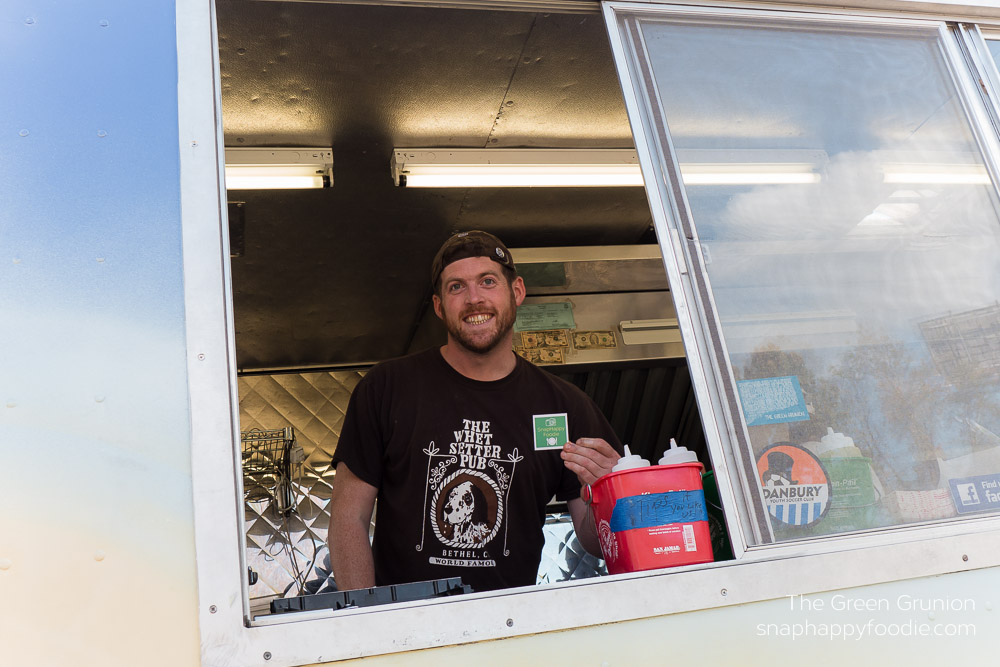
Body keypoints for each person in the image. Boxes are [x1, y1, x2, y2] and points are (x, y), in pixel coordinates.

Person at [328, 230, 623, 592]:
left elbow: (595, 542)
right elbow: (348, 518)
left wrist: (607, 495)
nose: (473, 299)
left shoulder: (566, 406)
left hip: (507, 627)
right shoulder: (386, 388)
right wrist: (365, 618)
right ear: (438, 306)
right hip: (404, 627)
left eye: (487, 281)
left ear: (516, 291)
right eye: (456, 287)